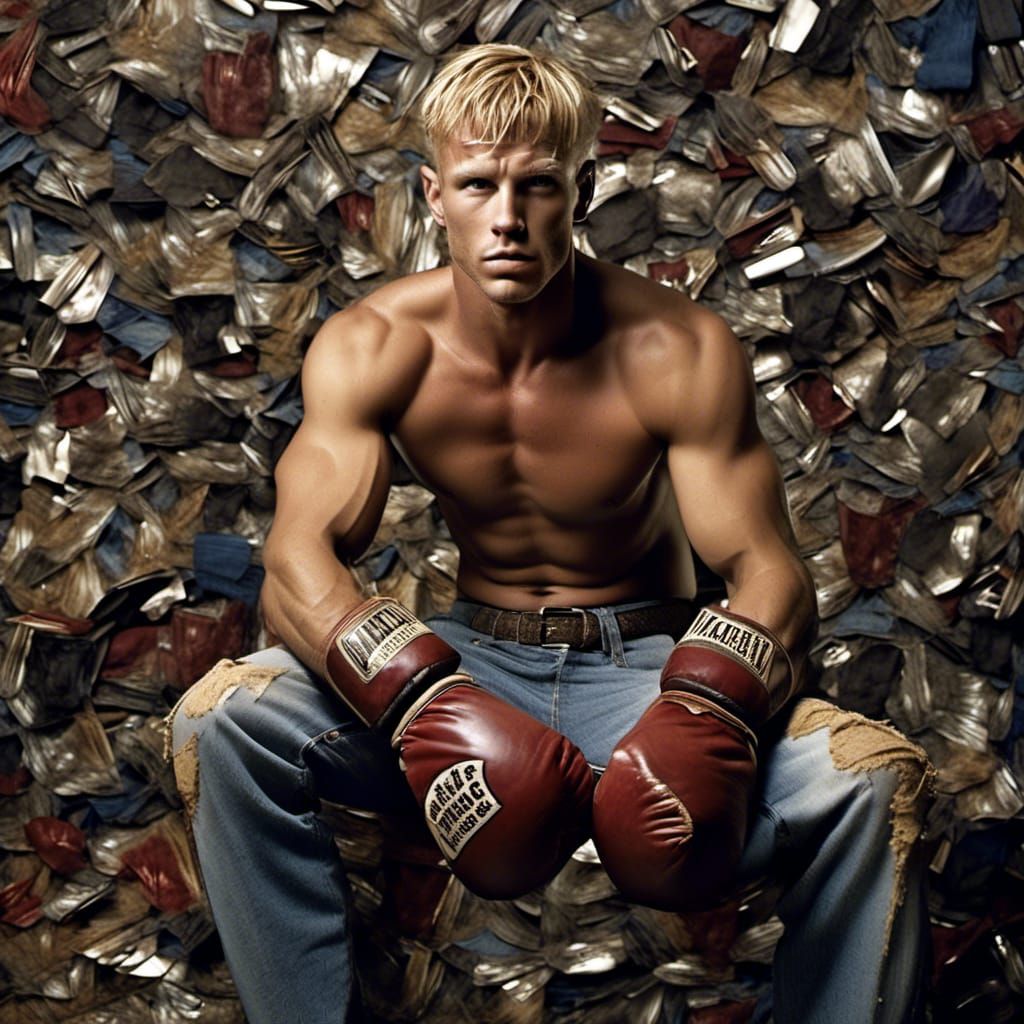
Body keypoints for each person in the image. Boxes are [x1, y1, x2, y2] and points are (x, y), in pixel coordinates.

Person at [167, 43, 935, 1024]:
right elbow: (295, 561)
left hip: (650, 667)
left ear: (583, 188)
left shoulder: (672, 346)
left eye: (537, 186)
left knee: (872, 779)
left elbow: (764, 570)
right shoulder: (374, 345)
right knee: (218, 721)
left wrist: (706, 705)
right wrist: (419, 698)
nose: (508, 217)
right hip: (466, 671)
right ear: (431, 193)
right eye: (480, 183)